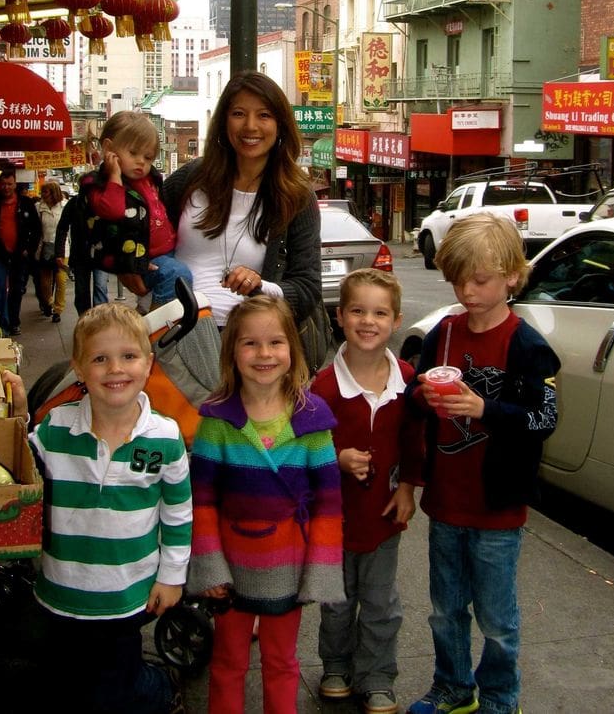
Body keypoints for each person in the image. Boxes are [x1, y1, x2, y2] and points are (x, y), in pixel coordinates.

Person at [405, 213, 561, 714]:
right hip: (447, 501)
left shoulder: (528, 346)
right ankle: (452, 685)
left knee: (497, 617)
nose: (467, 291)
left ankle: (499, 696)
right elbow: (412, 397)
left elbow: (545, 419)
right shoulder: (443, 334)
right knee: (445, 611)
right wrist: (422, 396)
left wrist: (485, 409)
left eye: (480, 280)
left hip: (498, 508)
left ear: (512, 276)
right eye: (457, 279)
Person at [2, 303, 191, 714]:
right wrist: (17, 411)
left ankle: (158, 689)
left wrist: (172, 577)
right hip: (62, 587)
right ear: (79, 368)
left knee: (116, 686)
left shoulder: (165, 437)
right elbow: (17, 463)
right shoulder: (55, 429)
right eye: (100, 359)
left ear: (148, 363)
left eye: (128, 356)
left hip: (127, 592)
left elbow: (178, 513)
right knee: (71, 679)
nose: (115, 369)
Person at [186, 295, 344, 713]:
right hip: (230, 568)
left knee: (280, 660)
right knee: (228, 660)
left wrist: (321, 572)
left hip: (288, 567)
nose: (264, 354)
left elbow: (328, 505)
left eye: (275, 342)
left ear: (292, 350)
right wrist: (209, 566)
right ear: (232, 352)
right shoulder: (217, 421)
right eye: (250, 343)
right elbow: (201, 501)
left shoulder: (313, 419)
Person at [310, 268, 423, 714]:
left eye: (380, 313)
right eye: (357, 310)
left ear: (396, 321)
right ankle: (336, 666)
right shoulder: (322, 388)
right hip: (335, 515)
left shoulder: (407, 380)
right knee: (336, 601)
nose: (368, 321)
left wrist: (409, 489)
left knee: (381, 602)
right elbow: (306, 449)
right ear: (340, 316)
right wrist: (335, 458)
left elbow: (415, 441)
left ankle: (377, 675)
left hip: (382, 514)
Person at [162, 71, 323, 331]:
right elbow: (147, 242)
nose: (250, 126)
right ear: (223, 121)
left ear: (280, 124)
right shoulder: (187, 181)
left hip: (249, 341)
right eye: (238, 113)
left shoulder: (297, 196)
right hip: (176, 333)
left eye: (264, 115)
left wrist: (260, 286)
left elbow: (307, 289)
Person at [79, 110, 192, 310]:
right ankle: (158, 329)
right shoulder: (100, 185)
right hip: (141, 259)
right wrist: (114, 175)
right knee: (178, 275)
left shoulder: (149, 180)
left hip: (165, 252)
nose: (141, 162)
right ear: (109, 149)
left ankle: (148, 314)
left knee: (178, 280)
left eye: (148, 158)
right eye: (133, 153)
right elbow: (113, 211)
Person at [0, 165, 41, 337]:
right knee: (0, 288)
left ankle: (14, 322)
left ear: (15, 184)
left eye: (9, 184)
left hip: (19, 254)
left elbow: (36, 229)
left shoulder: (26, 203)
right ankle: (1, 323)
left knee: (16, 289)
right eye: (3, 184)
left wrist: (29, 250)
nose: (6, 187)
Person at [55, 190, 110, 315]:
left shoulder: (104, 202)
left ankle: (100, 321)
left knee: (100, 287)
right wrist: (59, 252)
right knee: (81, 290)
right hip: (80, 254)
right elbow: (62, 228)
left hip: (100, 253)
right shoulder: (74, 203)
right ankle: (84, 318)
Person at [35, 179, 67, 322]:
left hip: (63, 246)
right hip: (45, 246)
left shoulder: (64, 206)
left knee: (61, 279)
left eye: (46, 192)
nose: (43, 194)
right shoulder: (39, 207)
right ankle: (48, 301)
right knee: (45, 279)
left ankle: (58, 309)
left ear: (54, 192)